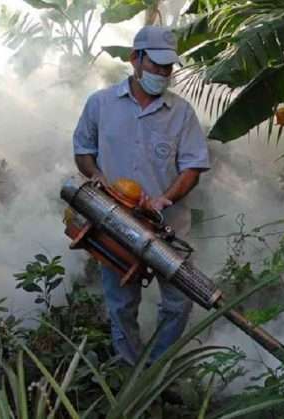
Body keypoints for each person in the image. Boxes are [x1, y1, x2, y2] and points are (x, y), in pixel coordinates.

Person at [72, 25, 210, 366]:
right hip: (114, 224)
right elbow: (83, 151)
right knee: (121, 303)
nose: (163, 73)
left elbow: (193, 167)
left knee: (180, 302)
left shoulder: (181, 113)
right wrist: (99, 178)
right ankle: (131, 371)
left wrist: (165, 198)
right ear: (136, 59)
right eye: (156, 65)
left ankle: (155, 366)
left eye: (168, 67)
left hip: (168, 228)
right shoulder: (101, 104)